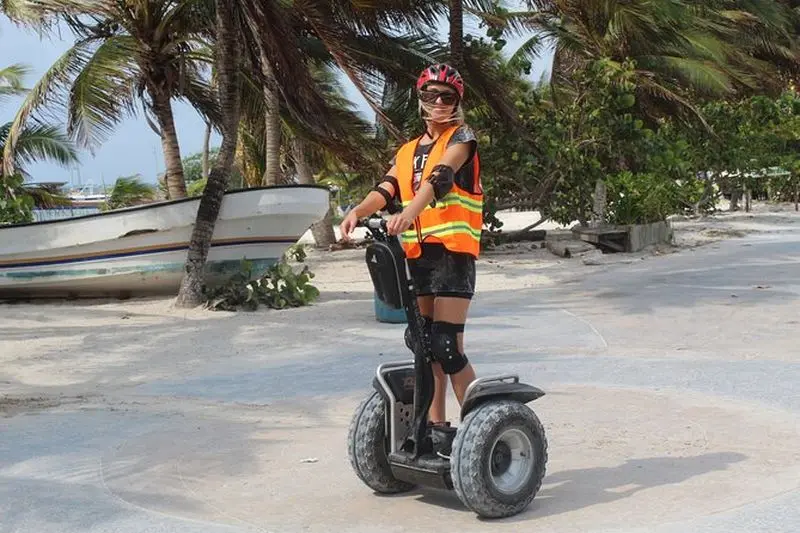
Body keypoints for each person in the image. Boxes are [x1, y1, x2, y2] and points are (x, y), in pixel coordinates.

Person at [340, 63, 483, 430]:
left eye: (447, 97)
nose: (438, 103)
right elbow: (384, 189)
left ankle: (480, 427)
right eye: (431, 95)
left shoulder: (461, 138)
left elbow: (441, 179)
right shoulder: (405, 152)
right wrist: (356, 211)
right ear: (420, 99)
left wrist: (407, 213)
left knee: (447, 346)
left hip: (453, 252)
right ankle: (436, 429)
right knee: (424, 347)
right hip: (418, 257)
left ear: (457, 102)